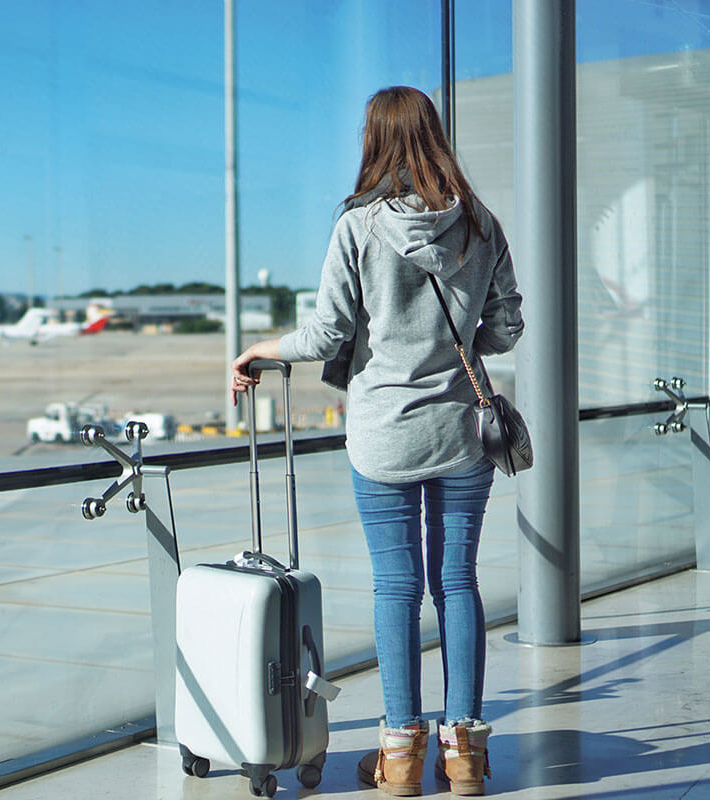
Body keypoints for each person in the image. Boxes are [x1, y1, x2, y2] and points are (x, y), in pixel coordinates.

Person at [230, 85, 522, 797]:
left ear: (375, 139)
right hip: (461, 429)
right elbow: (507, 326)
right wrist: (455, 357)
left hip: (384, 434)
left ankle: (397, 759)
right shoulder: (480, 223)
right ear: (434, 135)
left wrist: (261, 347)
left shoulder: (357, 227)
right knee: (457, 580)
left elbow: (327, 334)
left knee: (397, 585)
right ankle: (465, 757)